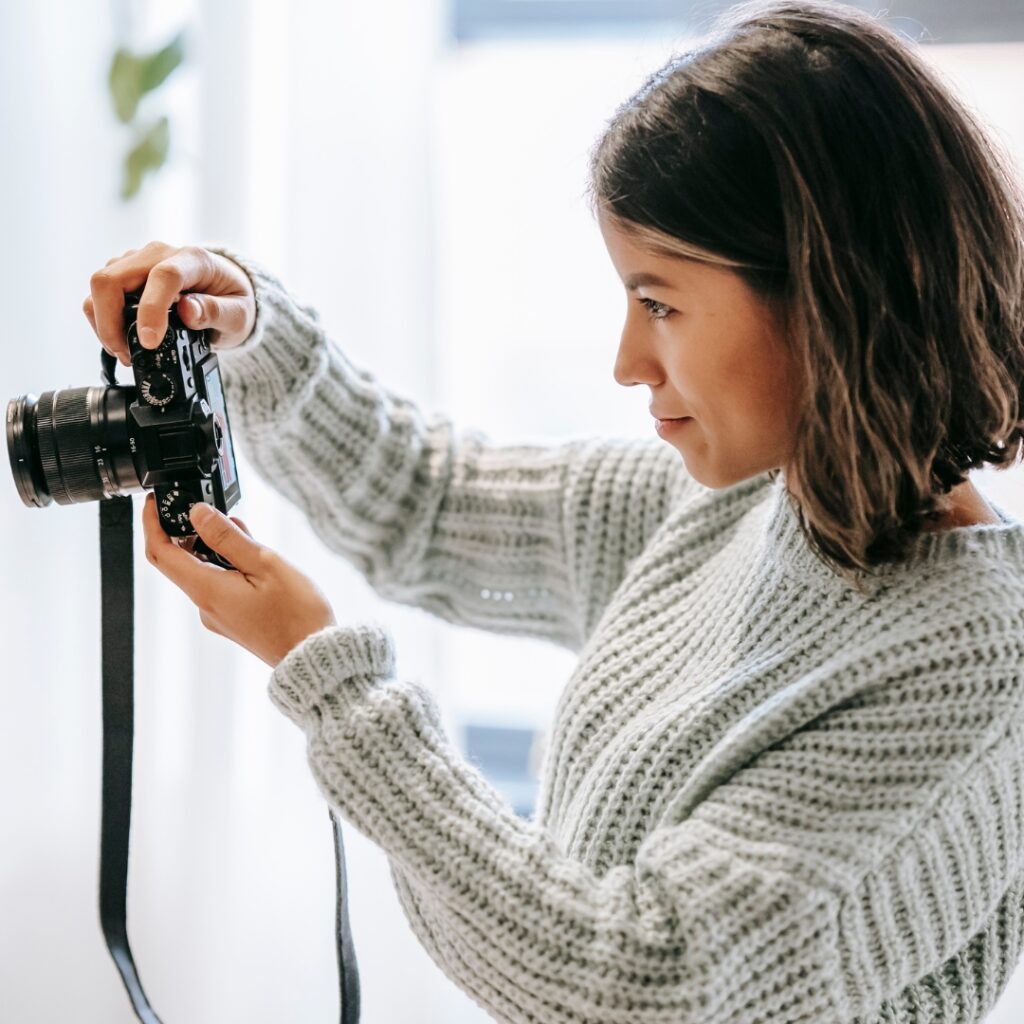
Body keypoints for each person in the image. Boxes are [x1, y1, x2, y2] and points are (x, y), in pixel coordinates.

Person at [83, 0, 1024, 1020]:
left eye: (660, 304)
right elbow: (428, 504)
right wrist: (249, 329)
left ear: (828, 293)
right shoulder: (742, 509)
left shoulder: (974, 666)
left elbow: (640, 986)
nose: (627, 362)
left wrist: (330, 685)